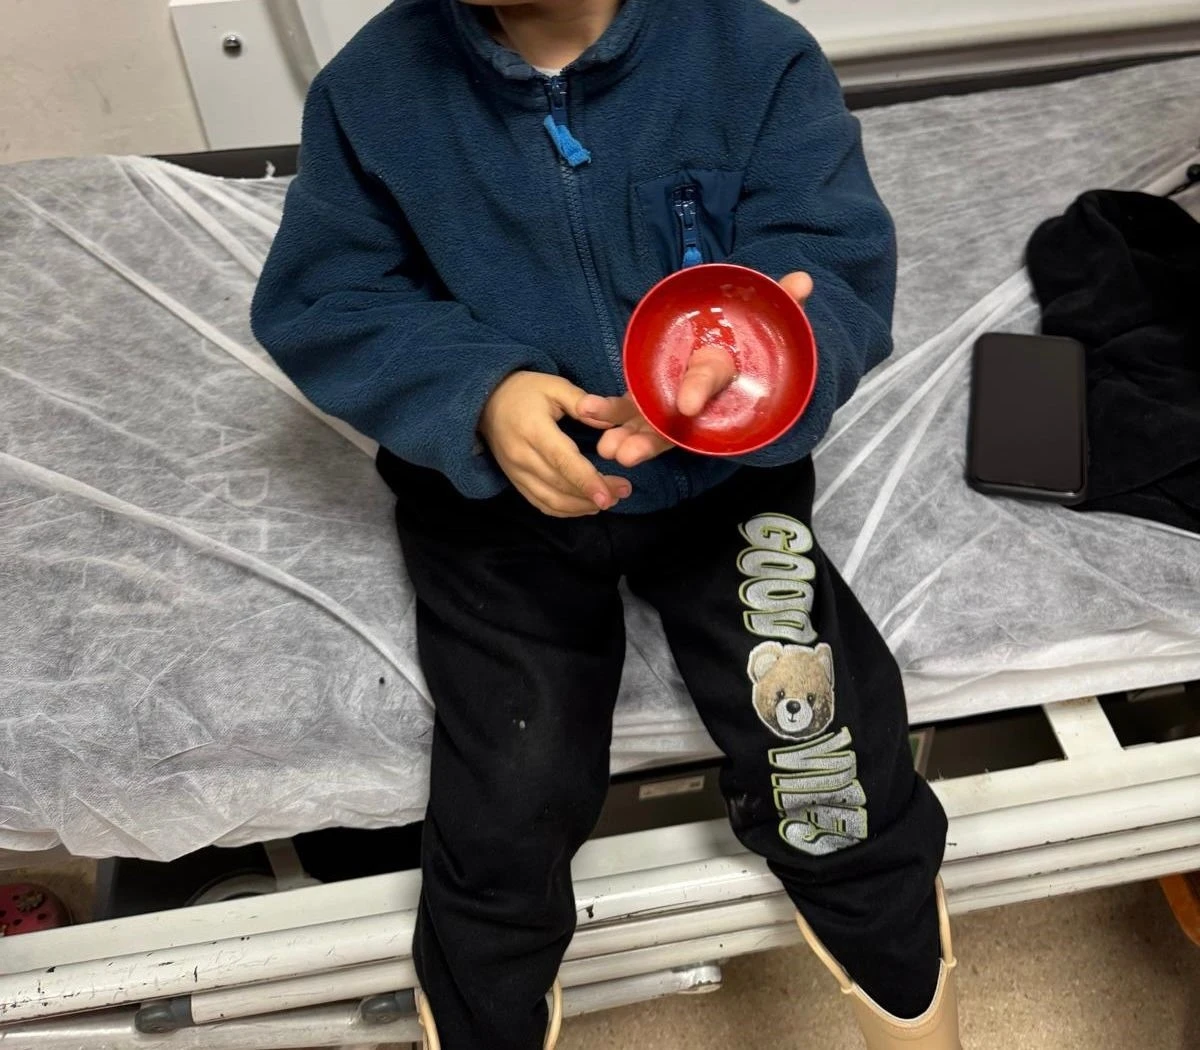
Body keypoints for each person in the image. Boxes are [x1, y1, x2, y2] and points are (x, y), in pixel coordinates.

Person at [250, 1, 962, 1047]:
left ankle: (912, 998)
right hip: (497, 504)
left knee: (824, 757)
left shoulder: (753, 57)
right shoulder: (371, 93)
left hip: (723, 483)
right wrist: (480, 395)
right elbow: (331, 299)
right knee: (511, 796)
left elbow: (831, 262)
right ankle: (484, 1017)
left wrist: (748, 366)